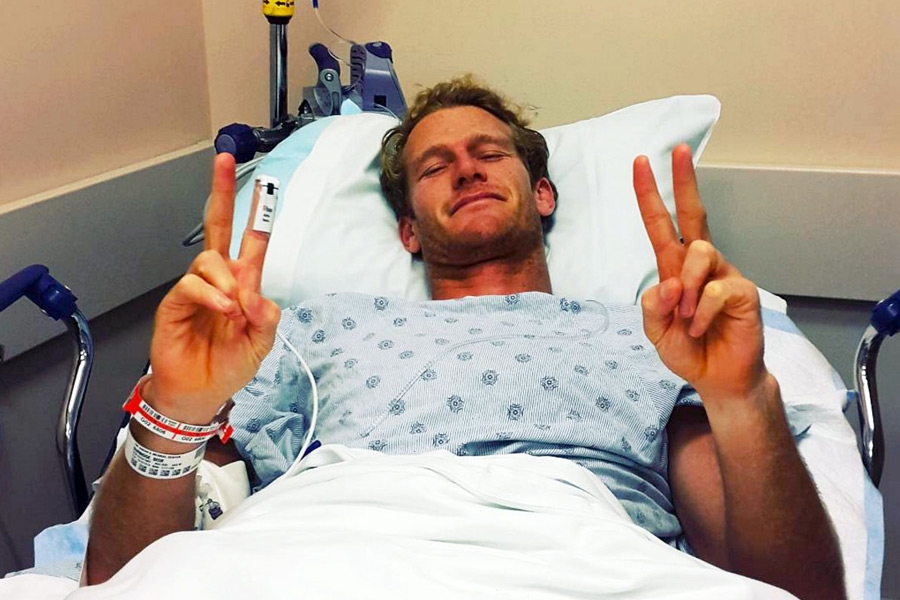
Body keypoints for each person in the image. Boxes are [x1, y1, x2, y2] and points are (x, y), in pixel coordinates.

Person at [85, 76, 845, 599]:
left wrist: (743, 398)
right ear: (409, 232)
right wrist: (174, 411)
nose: (467, 172)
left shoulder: (658, 336)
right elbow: (121, 578)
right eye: (435, 166)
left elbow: (785, 589)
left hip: (578, 558)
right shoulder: (296, 332)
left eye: (490, 154)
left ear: (542, 193)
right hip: (316, 546)